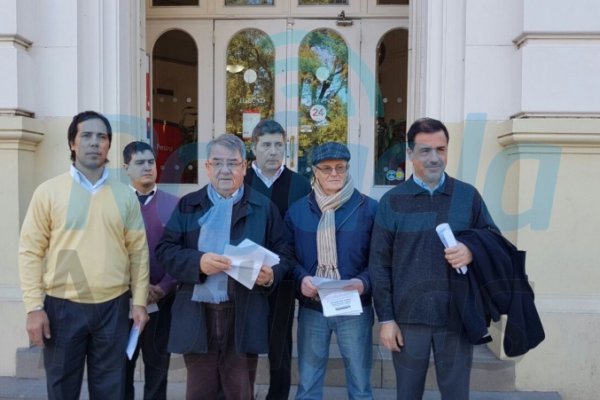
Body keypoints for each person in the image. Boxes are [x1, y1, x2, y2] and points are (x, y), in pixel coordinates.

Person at [18, 111, 150, 400]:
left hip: (113, 309)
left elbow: (138, 251)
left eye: (101, 137)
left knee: (111, 390)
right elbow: (30, 250)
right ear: (72, 143)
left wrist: (139, 301)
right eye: (86, 135)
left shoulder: (124, 195)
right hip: (62, 307)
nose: (94, 142)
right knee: (62, 390)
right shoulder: (48, 192)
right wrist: (33, 307)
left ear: (108, 146)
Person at [368, 117, 499, 400]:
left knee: (455, 395)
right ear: (410, 153)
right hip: (407, 319)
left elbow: (492, 238)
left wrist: (471, 250)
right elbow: (379, 264)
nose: (434, 158)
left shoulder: (467, 196)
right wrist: (387, 318)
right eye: (425, 150)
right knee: (408, 395)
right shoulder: (392, 201)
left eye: (441, 149)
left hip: (456, 316)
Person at [155, 133, 290, 400]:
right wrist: (198, 262)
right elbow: (165, 250)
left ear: (243, 167)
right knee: (200, 391)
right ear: (207, 167)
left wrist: (271, 275)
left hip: (243, 309)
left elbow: (285, 253)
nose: (225, 170)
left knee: (240, 390)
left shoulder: (263, 207)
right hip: (197, 312)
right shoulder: (188, 205)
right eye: (217, 163)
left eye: (233, 163)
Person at [284, 142, 378, 400]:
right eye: (326, 168)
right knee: (308, 386)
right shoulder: (298, 211)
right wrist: (301, 278)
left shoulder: (369, 209)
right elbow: (287, 257)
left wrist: (363, 283)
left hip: (354, 307)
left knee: (360, 387)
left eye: (340, 167)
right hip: (312, 307)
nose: (334, 173)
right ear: (314, 171)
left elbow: (381, 260)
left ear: (347, 169)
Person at [244, 119, 311, 400]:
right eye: (266, 145)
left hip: (283, 274)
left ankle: (278, 395)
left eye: (279, 145)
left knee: (279, 340)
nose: (273, 151)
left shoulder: (300, 184)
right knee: (242, 340)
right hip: (243, 273)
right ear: (254, 146)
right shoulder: (241, 179)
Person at [123, 141, 179, 400]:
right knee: (121, 370)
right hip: (122, 303)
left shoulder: (174, 204)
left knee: (158, 372)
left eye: (151, 162)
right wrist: (135, 289)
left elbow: (181, 250)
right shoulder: (115, 205)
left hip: (161, 301)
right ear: (126, 168)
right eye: (139, 162)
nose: (147, 167)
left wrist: (165, 286)